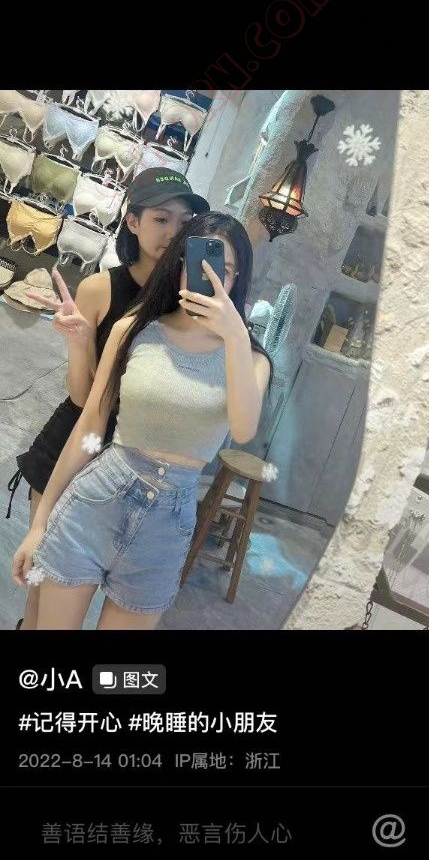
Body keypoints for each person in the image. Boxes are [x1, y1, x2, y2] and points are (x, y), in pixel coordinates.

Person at [11, 213, 273, 631]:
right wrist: (40, 521)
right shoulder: (134, 329)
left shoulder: (252, 360)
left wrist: (236, 336)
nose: (208, 277)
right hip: (97, 499)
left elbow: (242, 429)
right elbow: (91, 425)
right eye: (198, 263)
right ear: (180, 265)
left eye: (222, 269)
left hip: (167, 527)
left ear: (237, 278)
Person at [7, 167, 209, 629]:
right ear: (133, 222)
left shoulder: (188, 304)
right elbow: (83, 398)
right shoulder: (102, 288)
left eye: (184, 222)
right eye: (161, 219)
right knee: (42, 602)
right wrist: (81, 342)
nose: (172, 232)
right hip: (76, 447)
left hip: (138, 467)